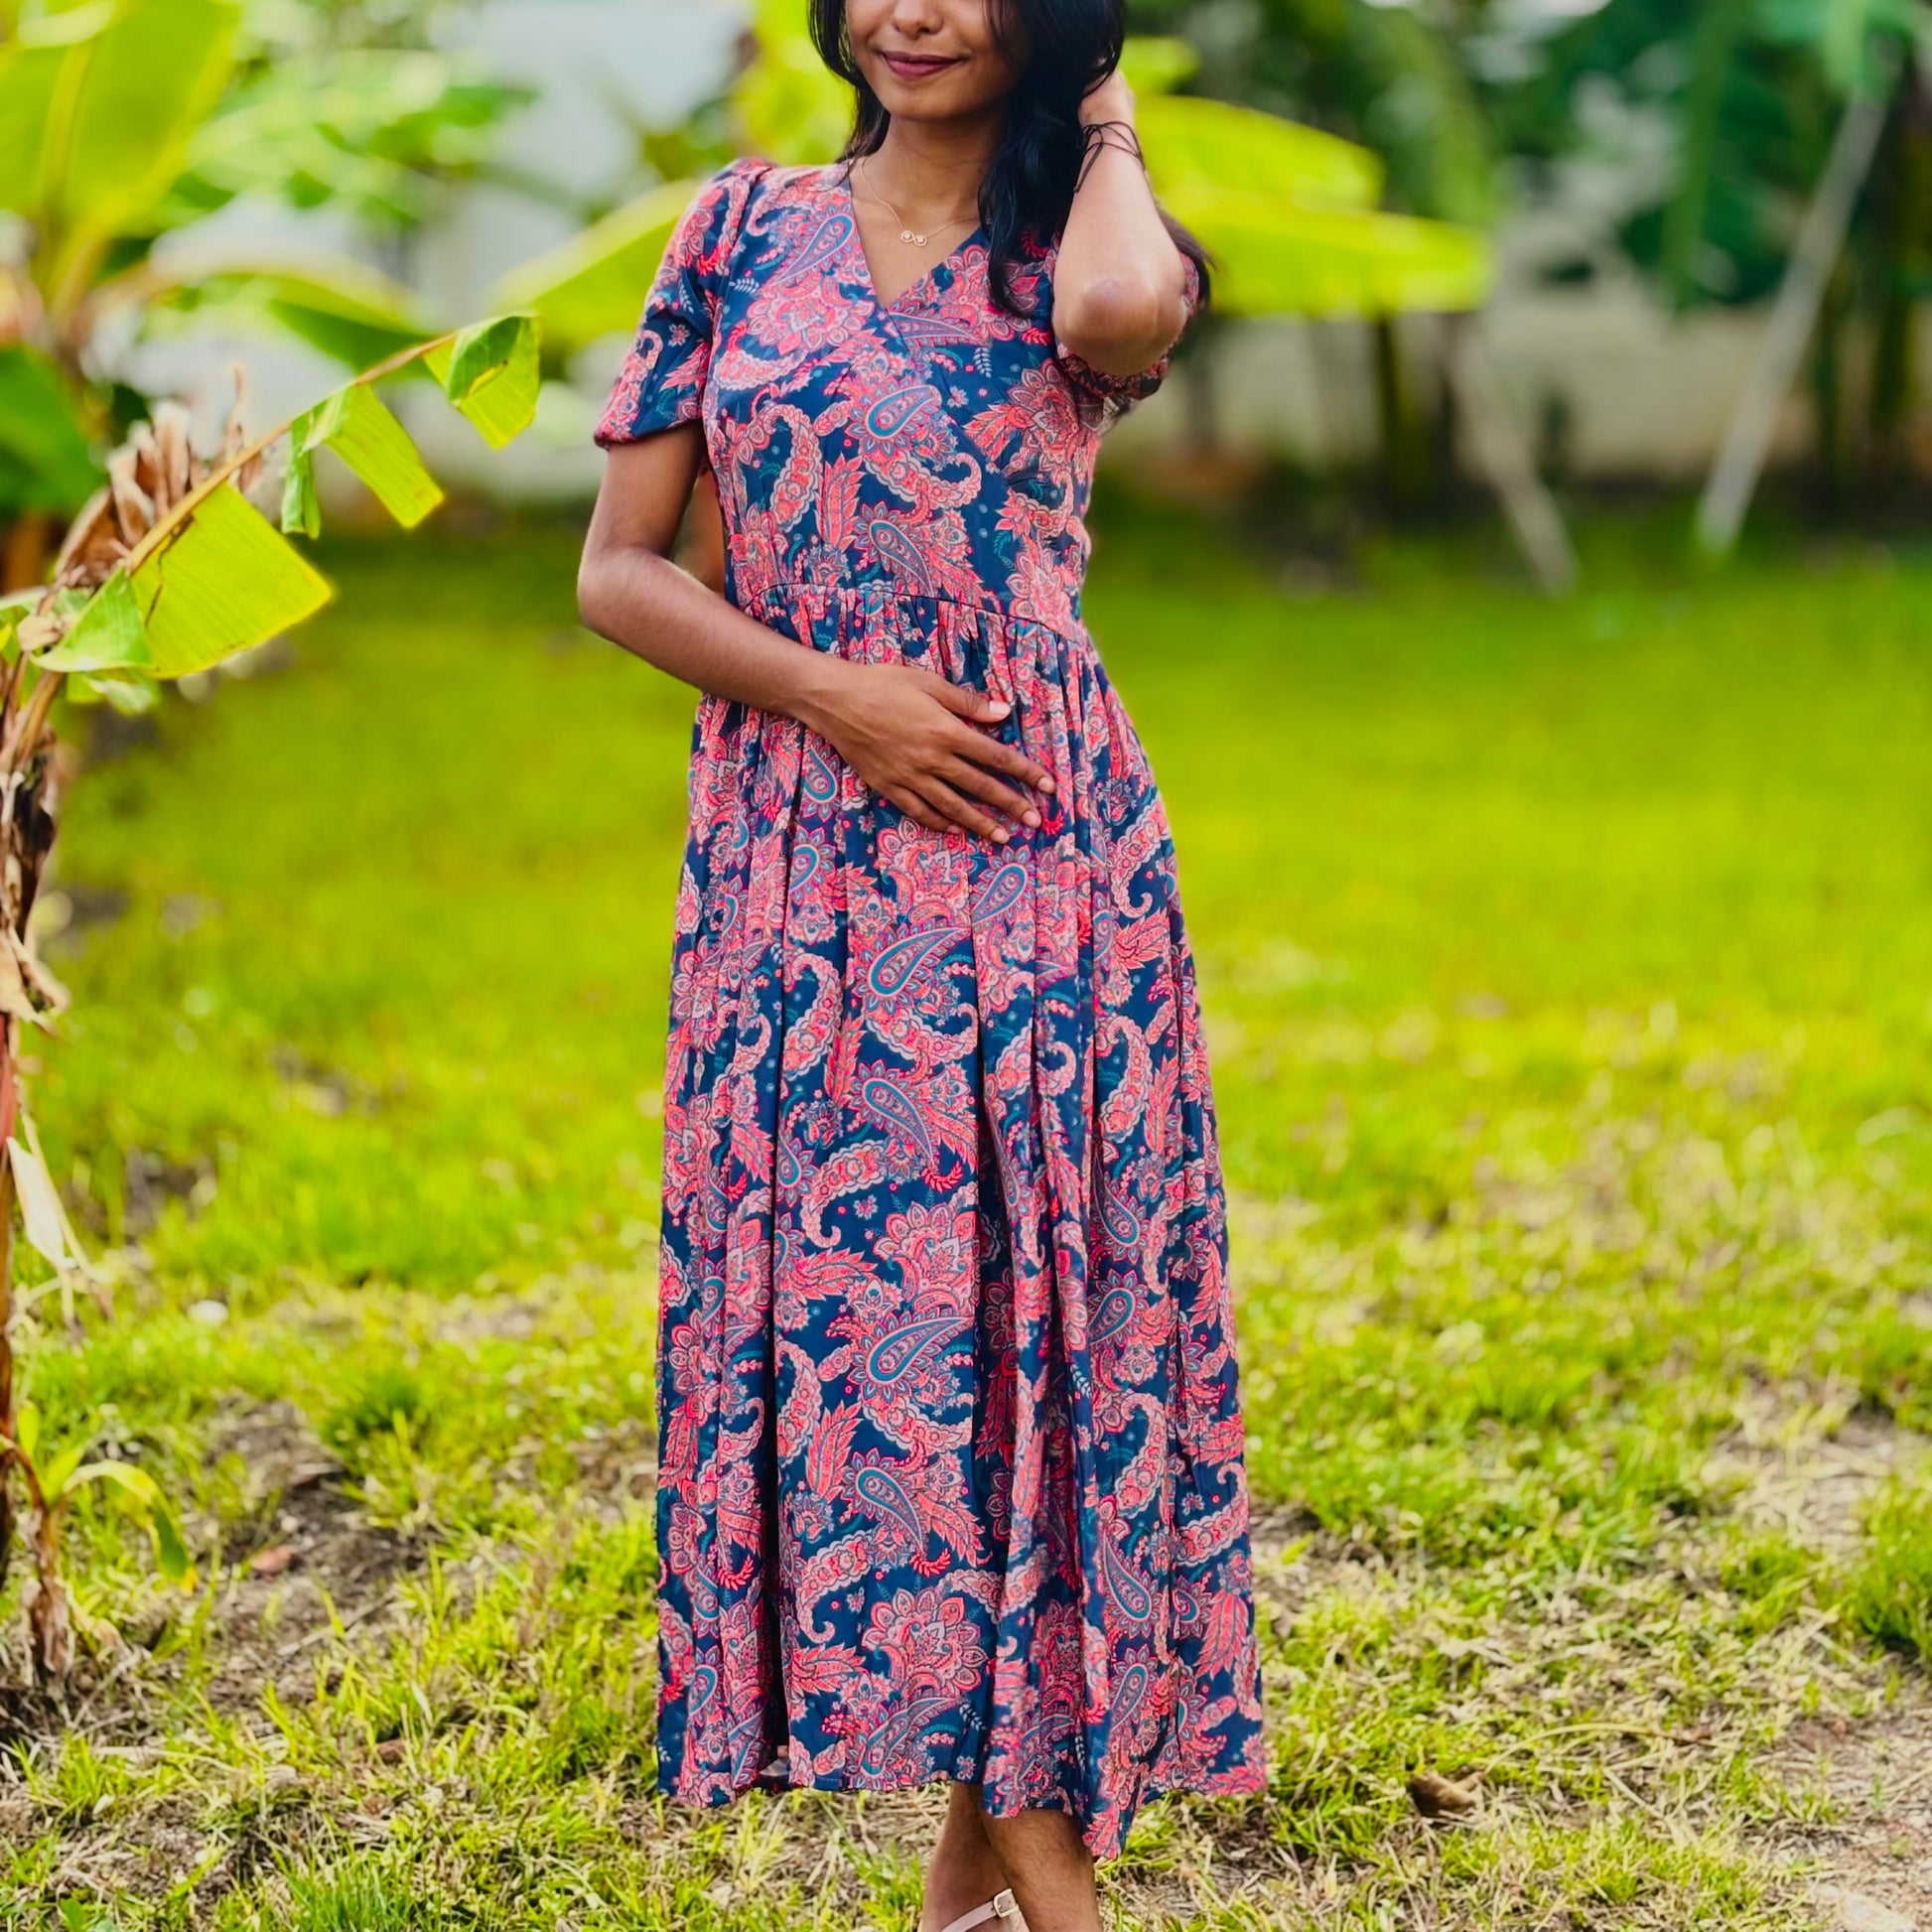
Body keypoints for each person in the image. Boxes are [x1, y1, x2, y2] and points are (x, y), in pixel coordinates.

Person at [576, 0, 1265, 1921]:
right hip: (800, 869)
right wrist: (836, 698)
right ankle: (1007, 1862)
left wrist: (1102, 101)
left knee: (1042, 1327)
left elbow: (1127, 324)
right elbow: (619, 568)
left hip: (1037, 854)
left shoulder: (1084, 244)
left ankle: (1014, 1861)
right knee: (876, 1326)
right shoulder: (733, 228)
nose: (917, 8)